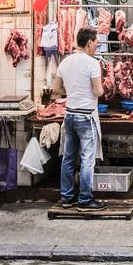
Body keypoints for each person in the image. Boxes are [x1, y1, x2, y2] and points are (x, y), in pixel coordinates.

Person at [54, 26, 106, 212]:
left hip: (69, 115)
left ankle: (67, 198)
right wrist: (101, 89)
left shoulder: (65, 62)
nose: (96, 48)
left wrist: (72, 93)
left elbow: (56, 89)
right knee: (87, 159)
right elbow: (98, 91)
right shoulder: (92, 63)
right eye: (96, 44)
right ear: (90, 42)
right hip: (85, 117)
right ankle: (85, 200)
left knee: (68, 158)